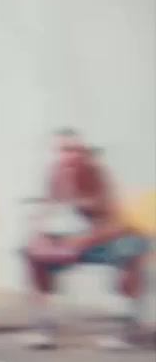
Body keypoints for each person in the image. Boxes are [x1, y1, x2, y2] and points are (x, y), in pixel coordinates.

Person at [22, 129, 149, 350]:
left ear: (83, 152)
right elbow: (46, 210)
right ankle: (45, 325)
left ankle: (126, 328)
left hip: (108, 237)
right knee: (33, 253)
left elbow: (116, 223)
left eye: (74, 150)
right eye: (63, 151)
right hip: (75, 240)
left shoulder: (98, 175)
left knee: (132, 250)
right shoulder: (57, 173)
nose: (69, 156)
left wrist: (82, 241)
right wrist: (39, 235)